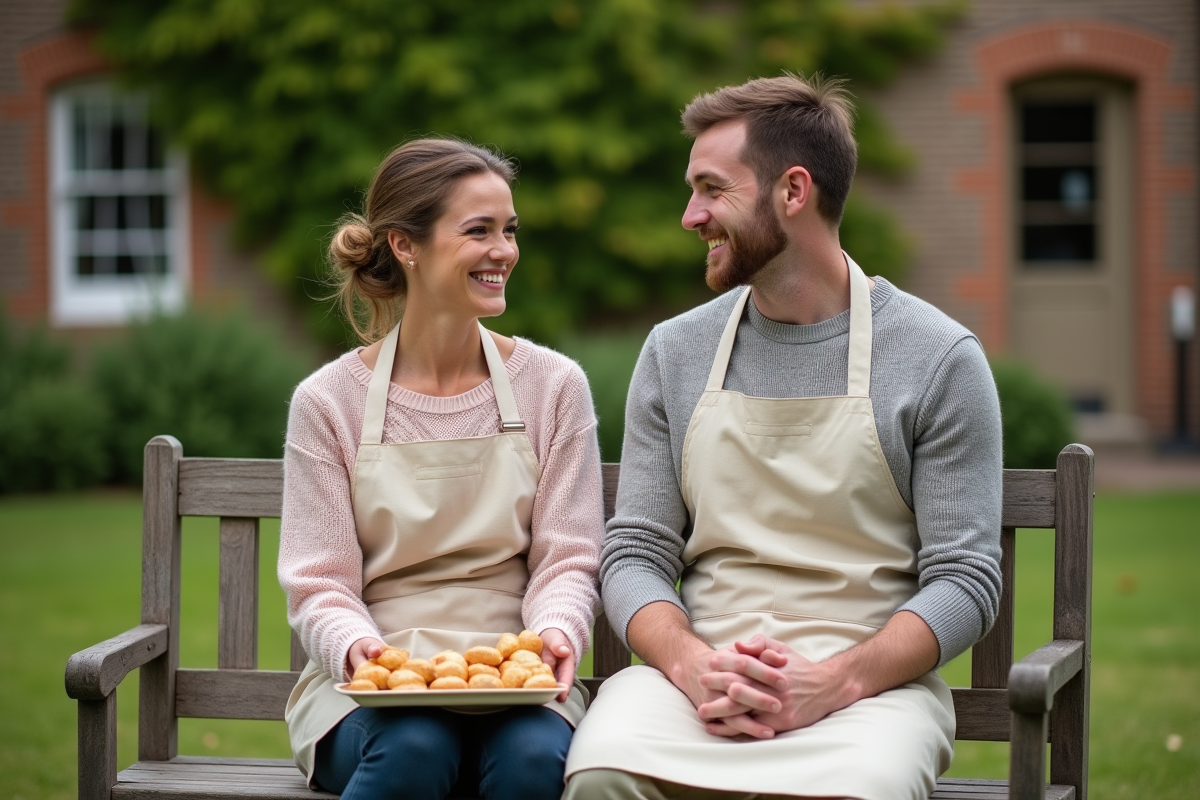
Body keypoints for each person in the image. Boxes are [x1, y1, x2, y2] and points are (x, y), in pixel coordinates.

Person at [563, 74, 1003, 799]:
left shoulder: (936, 358)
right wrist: (690, 662)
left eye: (711, 189)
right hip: (696, 685)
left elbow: (965, 578)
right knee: (601, 776)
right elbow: (635, 550)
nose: (689, 215)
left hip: (869, 696)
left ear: (792, 192)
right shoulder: (676, 351)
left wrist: (834, 681)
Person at [279, 137, 603, 800]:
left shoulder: (553, 387)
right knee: (416, 748)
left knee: (534, 762)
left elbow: (567, 559)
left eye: (508, 231)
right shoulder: (328, 402)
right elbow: (319, 583)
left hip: (516, 674)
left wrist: (556, 634)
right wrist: (357, 652)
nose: (503, 251)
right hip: (376, 687)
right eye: (478, 231)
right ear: (405, 245)